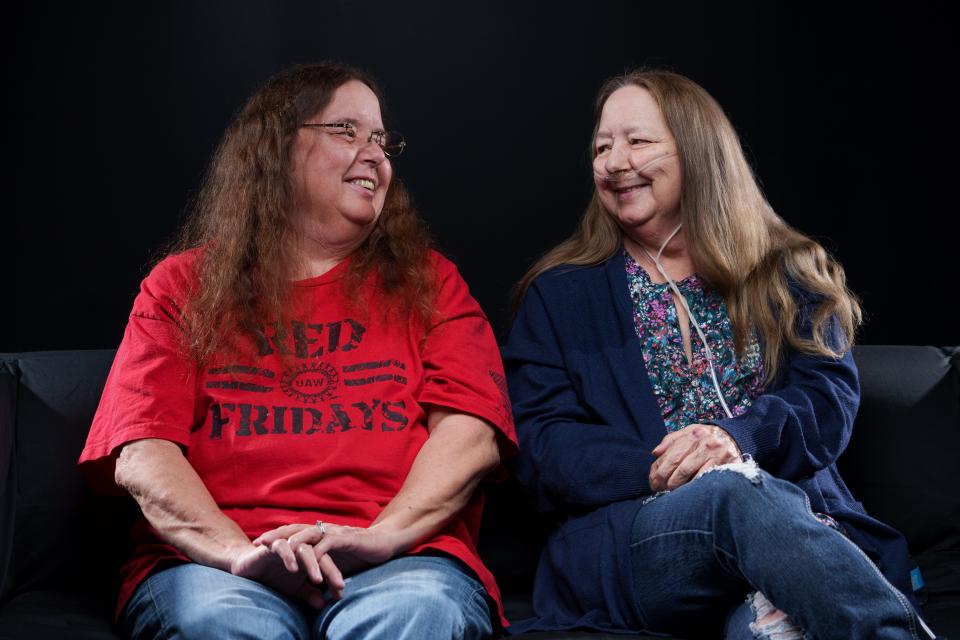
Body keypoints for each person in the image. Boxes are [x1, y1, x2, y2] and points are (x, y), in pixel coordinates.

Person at [79, 62, 517, 640]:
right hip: (218, 569)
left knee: (418, 614)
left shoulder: (432, 284)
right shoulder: (179, 286)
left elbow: (471, 435)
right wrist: (236, 555)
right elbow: (143, 452)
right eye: (347, 131)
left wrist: (382, 537)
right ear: (275, 149)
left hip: (398, 563)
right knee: (221, 623)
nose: (376, 154)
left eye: (383, 141)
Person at [503, 69, 936, 639]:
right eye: (601, 147)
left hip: (796, 537)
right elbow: (543, 445)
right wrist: (673, 468)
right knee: (730, 491)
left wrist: (739, 438)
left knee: (771, 630)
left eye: (637, 141)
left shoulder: (789, 270)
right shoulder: (560, 294)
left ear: (698, 150)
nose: (613, 161)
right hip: (640, 545)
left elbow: (827, 400)